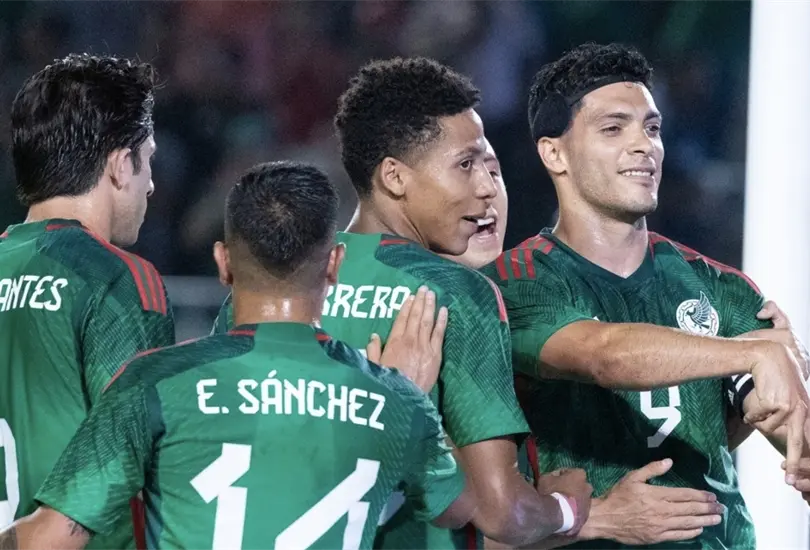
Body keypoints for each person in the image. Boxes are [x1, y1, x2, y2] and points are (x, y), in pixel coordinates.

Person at [214, 58, 594, 548]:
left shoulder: (268, 285)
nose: (485, 187)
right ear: (394, 177)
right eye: (466, 164)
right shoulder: (455, 294)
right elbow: (503, 513)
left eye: (490, 168)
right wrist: (571, 508)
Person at [0, 161, 477, 550]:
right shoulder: (395, 400)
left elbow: (50, 538)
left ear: (223, 262)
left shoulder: (152, 383)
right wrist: (407, 399)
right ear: (334, 264)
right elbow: (460, 509)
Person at [481, 42, 810, 549]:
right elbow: (602, 355)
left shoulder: (720, 286)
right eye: (614, 129)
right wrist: (758, 351)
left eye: (652, 128)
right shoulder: (515, 283)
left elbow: (783, 422)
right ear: (554, 152)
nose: (645, 145)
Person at [0, 54, 173, 550]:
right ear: (121, 165)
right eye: (149, 160)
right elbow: (135, 452)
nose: (152, 183)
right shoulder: (118, 280)